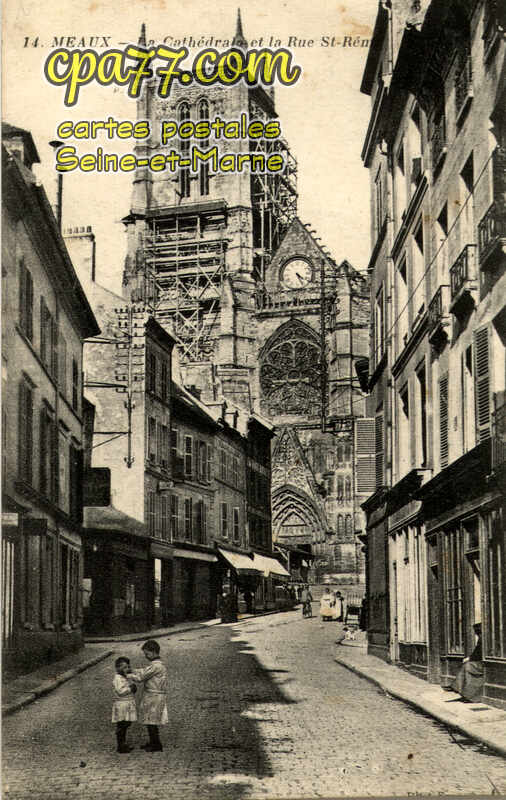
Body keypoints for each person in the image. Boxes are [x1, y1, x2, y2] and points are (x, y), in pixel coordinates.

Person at [130, 639, 168, 752]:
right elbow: (144, 671)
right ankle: (153, 742)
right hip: (153, 695)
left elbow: (141, 678)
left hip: (153, 696)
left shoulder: (156, 666)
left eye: (147, 654)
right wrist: (133, 670)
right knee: (150, 720)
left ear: (154, 652)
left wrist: (128, 675)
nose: (146, 656)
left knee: (151, 721)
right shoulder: (156, 665)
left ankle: (156, 744)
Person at [442, 622, 484, 702]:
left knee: (468, 666)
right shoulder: (482, 638)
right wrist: (470, 658)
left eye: (477, 632)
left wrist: (469, 658)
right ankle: (460, 691)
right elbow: (477, 652)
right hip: (481, 662)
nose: (476, 634)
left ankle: (456, 688)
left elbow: (478, 652)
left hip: (484, 664)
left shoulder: (482, 639)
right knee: (467, 666)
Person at [111, 656, 137, 754]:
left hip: (128, 703)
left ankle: (123, 743)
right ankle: (121, 745)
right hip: (122, 704)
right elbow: (120, 691)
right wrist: (130, 689)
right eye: (124, 667)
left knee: (126, 723)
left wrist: (132, 686)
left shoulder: (125, 677)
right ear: (118, 668)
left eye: (128, 667)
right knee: (122, 724)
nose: (127, 669)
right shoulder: (117, 678)